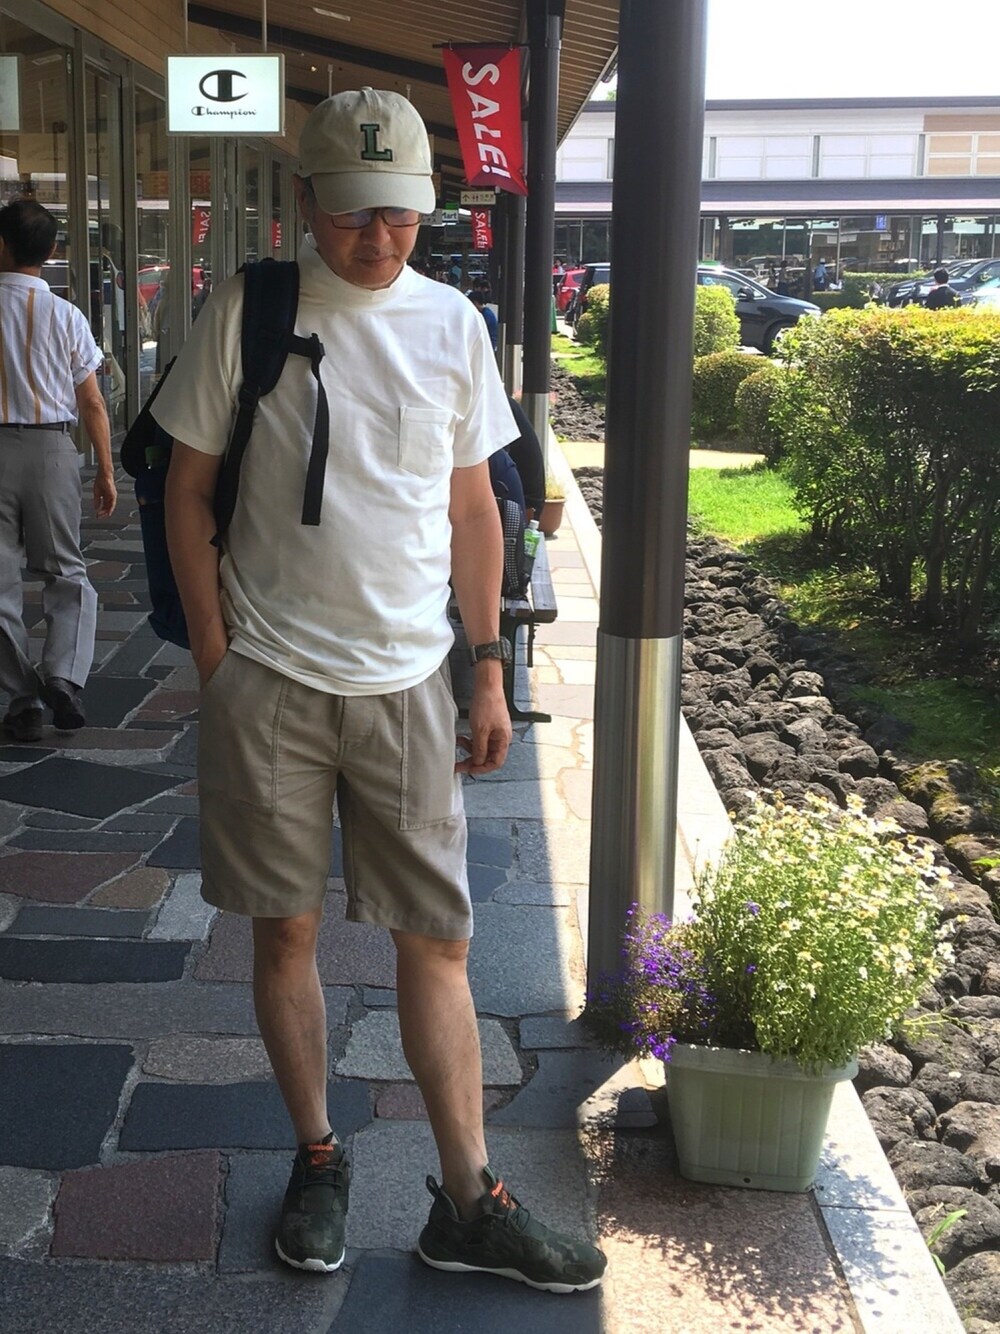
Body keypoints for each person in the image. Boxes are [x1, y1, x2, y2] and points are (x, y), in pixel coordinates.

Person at [151, 88, 606, 1295]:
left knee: (438, 938)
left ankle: (468, 1195)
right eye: (356, 212)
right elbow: (187, 486)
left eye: (400, 212)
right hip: (269, 676)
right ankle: (317, 1156)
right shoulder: (251, 308)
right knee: (285, 926)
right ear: (308, 201)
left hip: (408, 676)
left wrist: (488, 665)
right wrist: (216, 655)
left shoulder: (452, 322)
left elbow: (472, 509)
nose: (380, 237)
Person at [0, 199, 117, 743]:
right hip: (52, 449)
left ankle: (23, 699)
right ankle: (63, 677)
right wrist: (106, 470)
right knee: (66, 571)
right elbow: (92, 401)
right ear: (50, 252)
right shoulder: (67, 316)